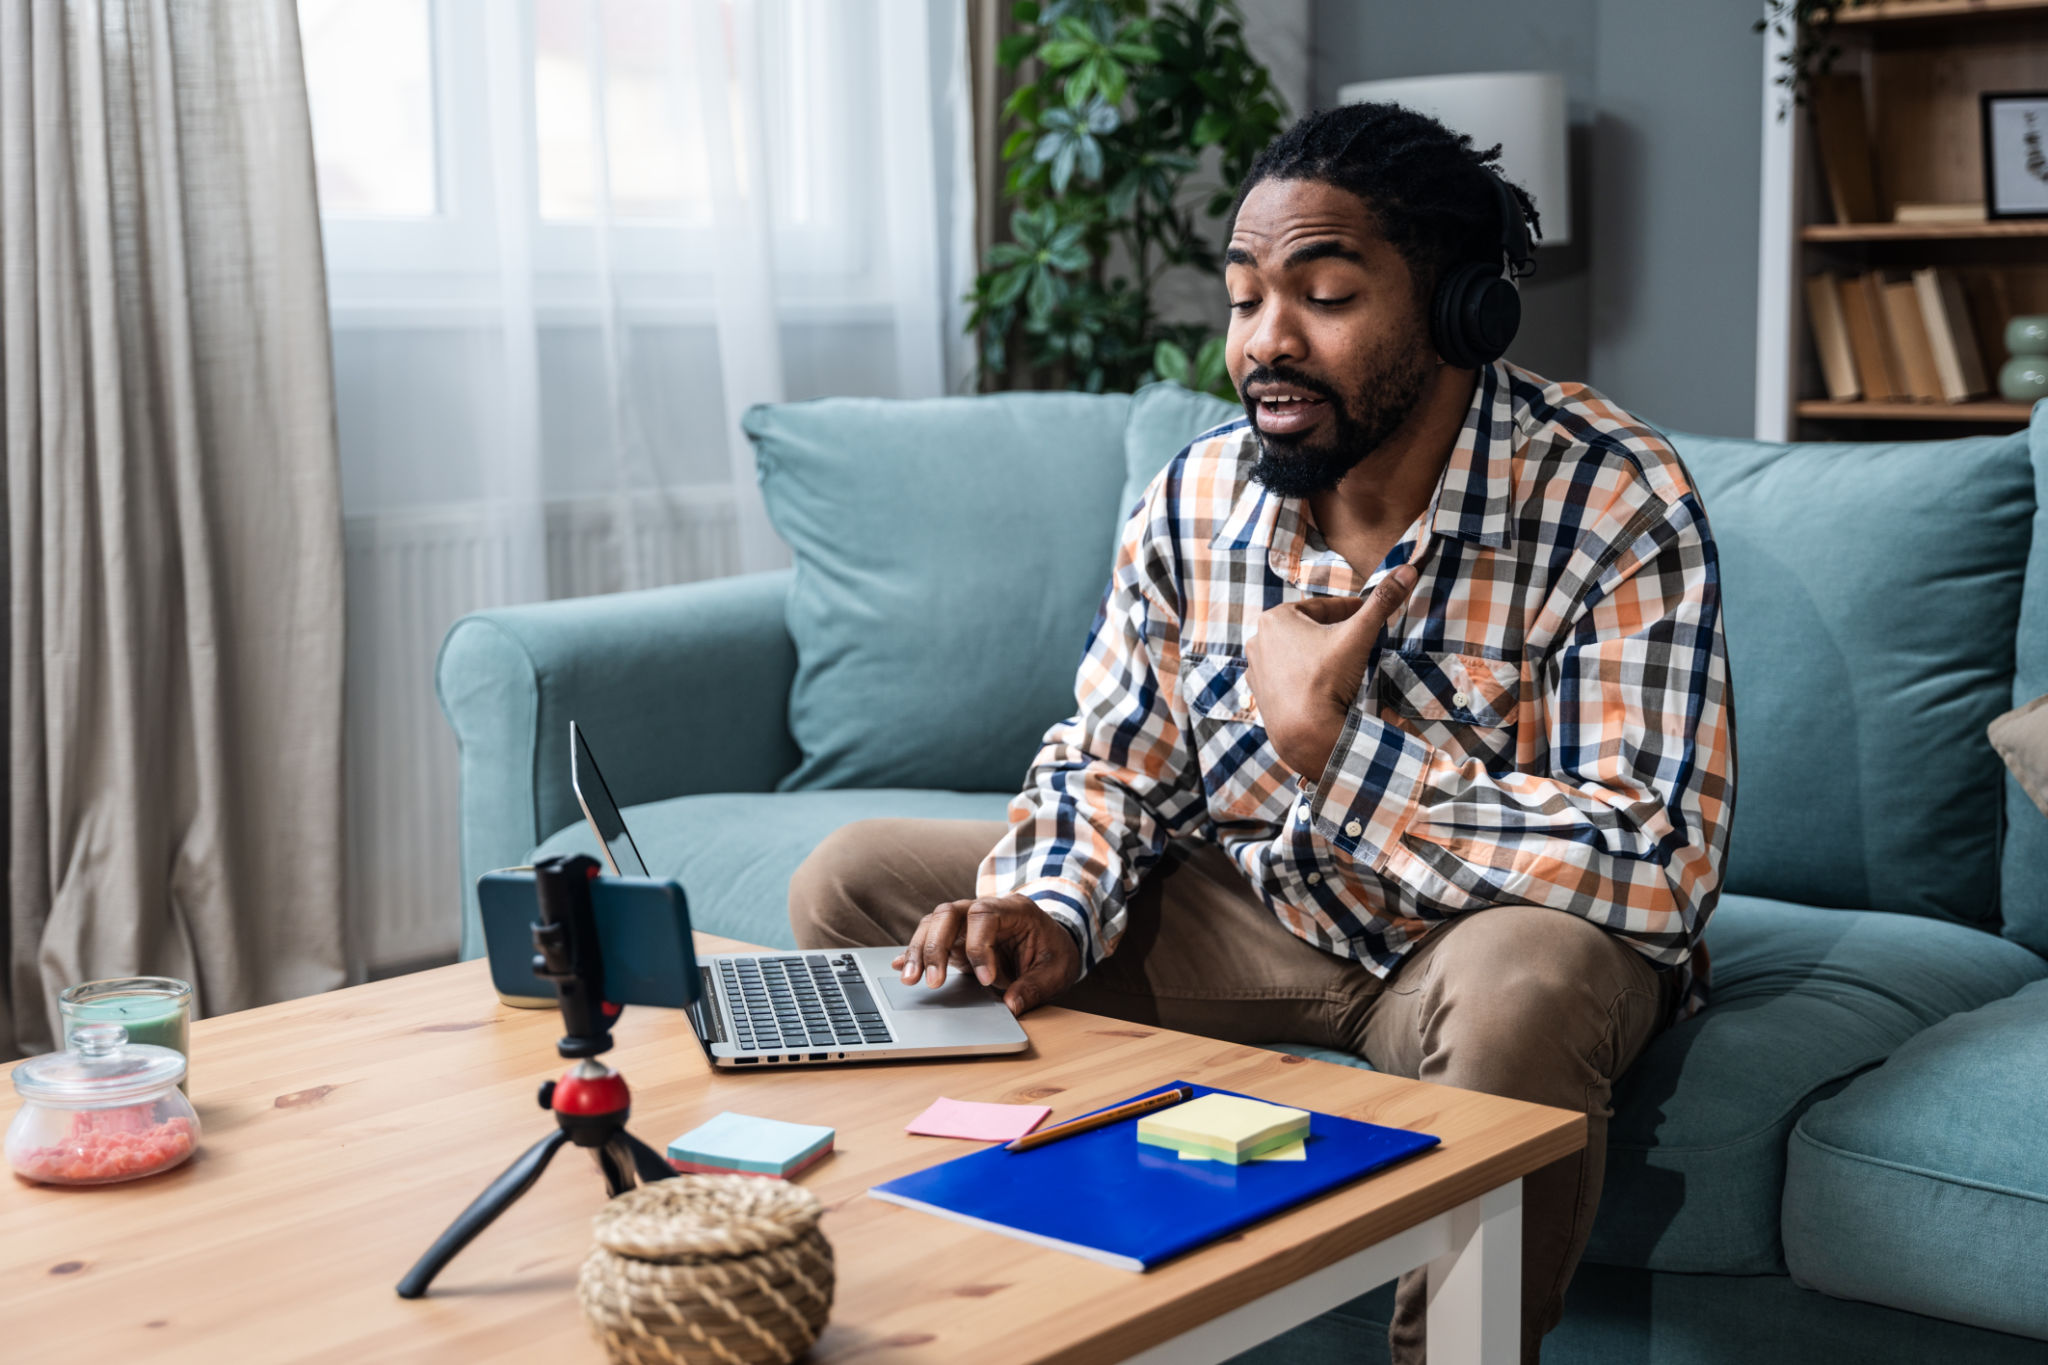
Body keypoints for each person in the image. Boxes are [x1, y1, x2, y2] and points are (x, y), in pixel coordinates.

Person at [789, 101, 1734, 1365]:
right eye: (1242, 300)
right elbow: (1110, 754)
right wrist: (1050, 907)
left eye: (1325, 295)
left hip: (1475, 956)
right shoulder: (1197, 494)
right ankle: (1000, 1301)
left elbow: (1655, 863)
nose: (1263, 345)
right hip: (1262, 925)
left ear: (1463, 311)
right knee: (856, 883)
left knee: (1525, 984)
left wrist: (1333, 753)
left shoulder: (1611, 497)